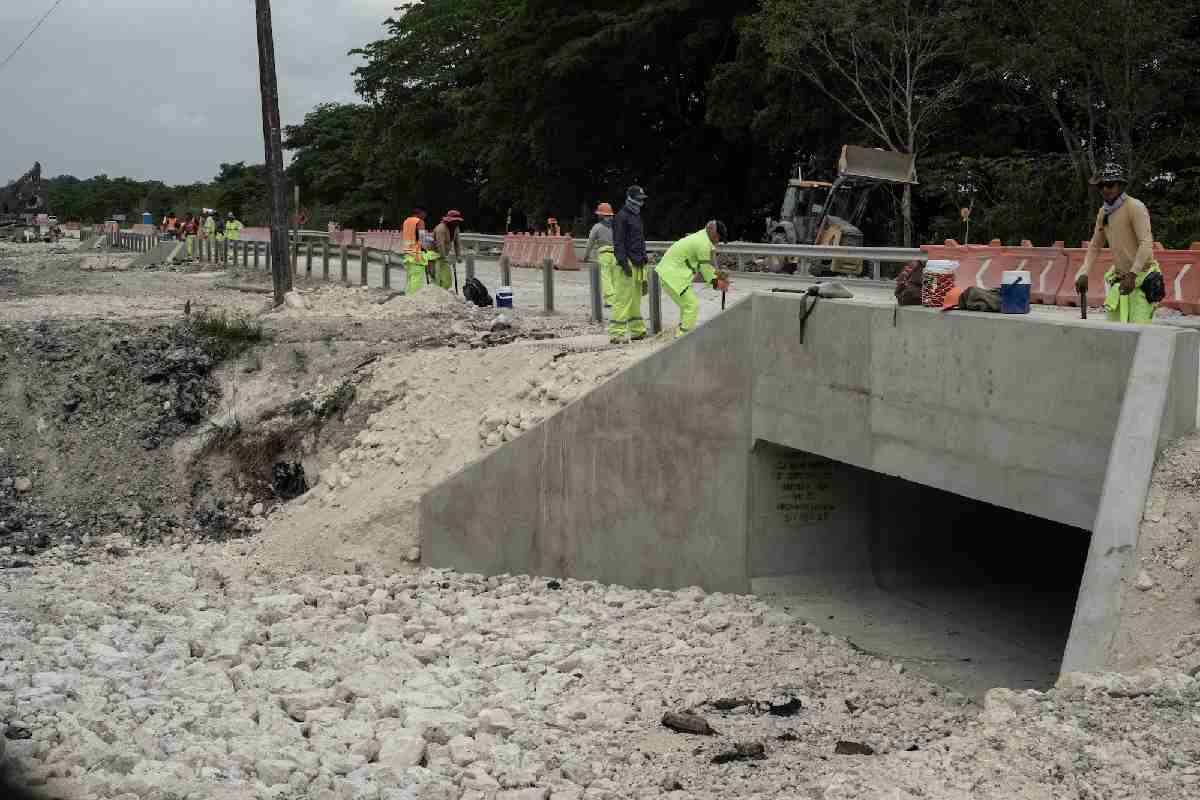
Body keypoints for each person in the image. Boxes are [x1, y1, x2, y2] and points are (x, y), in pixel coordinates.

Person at [1074, 163, 1162, 324]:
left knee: (1138, 331)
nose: (1105, 189)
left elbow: (1146, 243)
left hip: (1141, 277)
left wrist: (1133, 274)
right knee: (1115, 332)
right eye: (1101, 185)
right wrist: (1084, 272)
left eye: (1110, 185)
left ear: (1121, 186)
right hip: (1120, 279)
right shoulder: (1104, 212)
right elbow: (1095, 245)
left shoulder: (1135, 207)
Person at [655, 220, 730, 337]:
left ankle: (681, 332)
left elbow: (711, 260)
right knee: (692, 306)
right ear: (713, 232)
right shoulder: (702, 243)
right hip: (673, 276)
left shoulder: (702, 238)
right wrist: (717, 282)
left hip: (672, 274)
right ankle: (682, 338)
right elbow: (705, 268)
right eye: (718, 237)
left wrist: (719, 274)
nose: (718, 241)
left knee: (686, 306)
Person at [611, 185, 649, 342]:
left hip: (638, 263)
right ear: (630, 198)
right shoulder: (622, 217)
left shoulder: (636, 216)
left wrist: (644, 257)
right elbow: (618, 242)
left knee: (635, 300)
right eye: (639, 199)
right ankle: (616, 333)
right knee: (622, 299)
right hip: (626, 264)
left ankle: (637, 330)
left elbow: (640, 239)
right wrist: (623, 263)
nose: (641, 202)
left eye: (642, 199)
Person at [582, 202, 616, 307]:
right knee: (615, 278)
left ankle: (610, 300)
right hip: (616, 254)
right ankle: (617, 300)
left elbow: (590, 242)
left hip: (604, 255)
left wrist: (586, 256)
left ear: (600, 215)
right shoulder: (615, 227)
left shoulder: (597, 227)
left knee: (606, 278)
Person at [431, 209, 464, 290]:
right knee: (437, 278)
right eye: (455, 221)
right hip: (434, 256)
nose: (457, 223)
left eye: (458, 221)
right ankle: (435, 293)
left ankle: (443, 293)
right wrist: (444, 257)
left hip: (444, 256)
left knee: (447, 280)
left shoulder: (456, 228)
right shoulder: (441, 228)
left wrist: (458, 255)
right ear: (450, 220)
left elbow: (457, 243)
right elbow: (440, 244)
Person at [401, 207, 428, 296]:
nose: (425, 216)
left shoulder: (406, 222)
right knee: (416, 279)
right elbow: (422, 240)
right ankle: (414, 298)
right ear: (421, 213)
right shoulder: (420, 222)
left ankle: (408, 297)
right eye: (425, 214)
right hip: (417, 255)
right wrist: (426, 250)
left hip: (407, 254)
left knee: (410, 278)